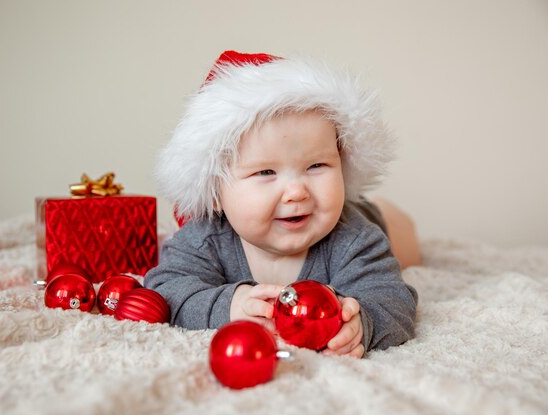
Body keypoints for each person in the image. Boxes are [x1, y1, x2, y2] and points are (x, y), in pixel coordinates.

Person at [144, 50, 419, 358]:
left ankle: (383, 210)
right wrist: (230, 305)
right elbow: (165, 291)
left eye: (316, 166)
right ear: (216, 192)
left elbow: (393, 299)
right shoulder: (203, 240)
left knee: (404, 240)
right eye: (265, 172)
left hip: (371, 216)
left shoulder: (356, 239)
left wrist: (363, 323)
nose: (296, 192)